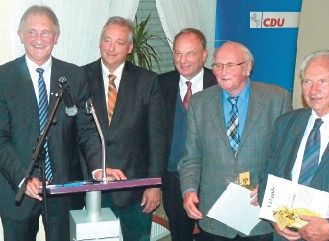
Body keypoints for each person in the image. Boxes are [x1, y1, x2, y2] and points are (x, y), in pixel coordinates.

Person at [0, 5, 103, 241]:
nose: (39, 39)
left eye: (46, 32)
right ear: (20, 35)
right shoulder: (2, 77)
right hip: (17, 190)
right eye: (32, 32)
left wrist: (98, 166)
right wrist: (22, 177)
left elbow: (86, 130)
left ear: (56, 37)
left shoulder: (74, 75)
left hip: (63, 191)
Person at [178, 41, 293, 241]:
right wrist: (188, 189)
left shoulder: (276, 99)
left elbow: (287, 155)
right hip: (215, 214)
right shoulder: (200, 103)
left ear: (247, 68)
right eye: (218, 65)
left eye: (230, 65)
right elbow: (191, 156)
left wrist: (269, 187)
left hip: (258, 213)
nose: (222, 71)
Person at [258, 50, 329, 241]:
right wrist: (274, 216)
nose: (313, 90)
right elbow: (267, 176)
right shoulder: (286, 122)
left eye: (323, 81)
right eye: (307, 81)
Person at [82, 16, 168, 241]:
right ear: (100, 42)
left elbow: (157, 139)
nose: (111, 48)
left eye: (119, 42)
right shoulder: (80, 77)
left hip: (135, 188)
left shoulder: (148, 81)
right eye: (107, 40)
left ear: (129, 47)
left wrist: (154, 185)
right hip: (90, 188)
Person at [159, 28, 217, 241]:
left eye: (190, 53)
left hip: (212, 181)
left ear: (204, 55)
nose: (182, 60)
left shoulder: (220, 85)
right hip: (173, 180)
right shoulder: (160, 84)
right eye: (178, 53)